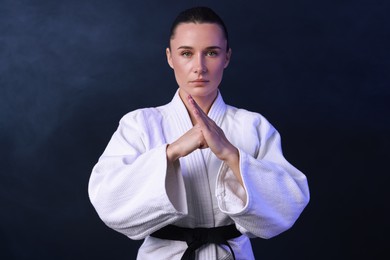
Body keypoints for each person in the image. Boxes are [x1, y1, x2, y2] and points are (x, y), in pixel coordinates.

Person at [88, 6, 310, 260]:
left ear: (227, 57)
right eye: (186, 53)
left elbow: (288, 205)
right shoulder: (139, 124)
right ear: (170, 58)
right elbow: (108, 201)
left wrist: (231, 155)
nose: (199, 67)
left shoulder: (253, 126)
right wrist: (171, 152)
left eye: (212, 53)